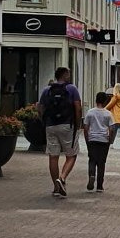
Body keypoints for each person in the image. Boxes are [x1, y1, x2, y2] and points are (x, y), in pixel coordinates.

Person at [38, 67, 82, 198]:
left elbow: (40, 107)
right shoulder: (72, 89)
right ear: (65, 75)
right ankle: (62, 178)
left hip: (50, 126)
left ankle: (56, 188)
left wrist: (44, 121)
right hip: (67, 125)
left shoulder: (47, 90)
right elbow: (78, 108)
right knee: (71, 155)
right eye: (68, 73)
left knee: (53, 156)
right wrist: (78, 124)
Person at [84, 92, 116, 193]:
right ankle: (99, 186)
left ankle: (91, 175)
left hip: (92, 139)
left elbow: (86, 127)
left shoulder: (90, 112)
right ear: (105, 101)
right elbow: (111, 129)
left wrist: (87, 139)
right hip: (103, 140)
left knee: (92, 160)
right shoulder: (108, 114)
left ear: (96, 100)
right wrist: (110, 139)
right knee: (101, 162)